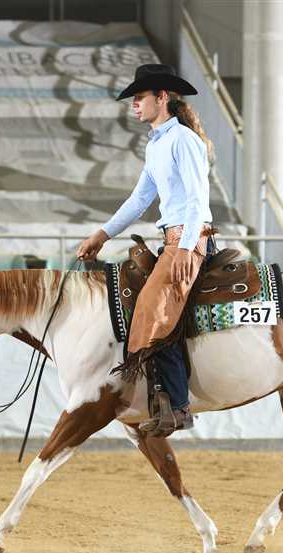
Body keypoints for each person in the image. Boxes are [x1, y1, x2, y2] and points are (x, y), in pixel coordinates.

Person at [76, 63, 215, 438]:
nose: (134, 104)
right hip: (174, 238)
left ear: (162, 97)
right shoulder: (157, 145)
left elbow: (197, 198)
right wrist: (102, 234)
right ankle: (158, 398)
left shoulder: (183, 140)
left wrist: (185, 249)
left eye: (140, 97)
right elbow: (139, 199)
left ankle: (177, 406)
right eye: (134, 99)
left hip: (188, 238)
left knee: (153, 312)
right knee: (148, 308)